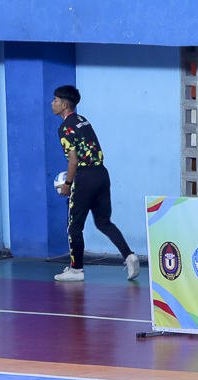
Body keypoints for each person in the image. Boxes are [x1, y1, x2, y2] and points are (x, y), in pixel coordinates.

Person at [50, 85, 139, 282]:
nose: (52, 103)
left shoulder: (65, 127)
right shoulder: (83, 120)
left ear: (64, 105)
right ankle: (129, 256)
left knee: (74, 226)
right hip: (101, 174)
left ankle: (76, 270)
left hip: (84, 177)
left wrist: (67, 184)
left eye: (55, 100)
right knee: (103, 222)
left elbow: (73, 161)